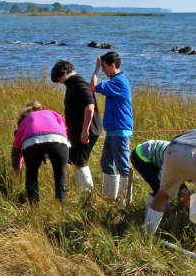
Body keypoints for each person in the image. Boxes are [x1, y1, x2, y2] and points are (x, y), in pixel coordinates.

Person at [50, 60, 103, 193]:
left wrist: (85, 131)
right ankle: (82, 191)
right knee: (75, 160)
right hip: (80, 130)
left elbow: (90, 107)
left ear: (64, 73)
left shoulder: (78, 84)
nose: (60, 83)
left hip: (86, 131)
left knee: (80, 162)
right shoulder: (73, 83)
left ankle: (86, 194)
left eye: (59, 79)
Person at [92, 51, 134, 200]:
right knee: (105, 163)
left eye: (104, 67)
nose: (103, 70)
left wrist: (96, 69)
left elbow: (93, 87)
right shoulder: (116, 80)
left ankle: (125, 200)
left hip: (120, 131)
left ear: (112, 65)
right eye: (101, 67)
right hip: (113, 130)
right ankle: (110, 197)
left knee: (123, 167)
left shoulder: (118, 82)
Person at [11, 102, 70, 203]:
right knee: (60, 175)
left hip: (32, 142)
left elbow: (16, 148)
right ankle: (62, 206)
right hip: (58, 139)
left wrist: (17, 168)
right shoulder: (53, 113)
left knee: (31, 176)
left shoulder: (25, 120)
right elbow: (65, 130)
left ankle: (33, 208)